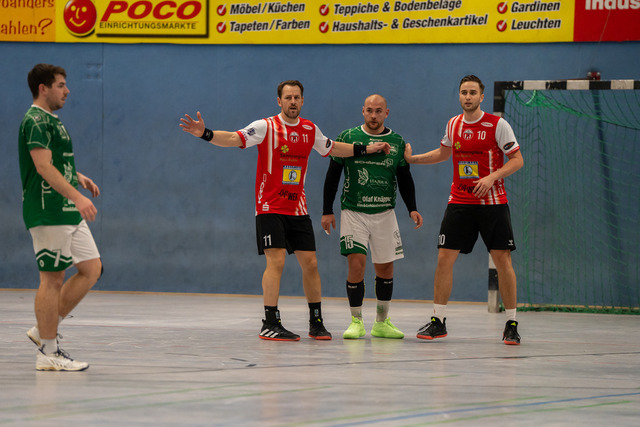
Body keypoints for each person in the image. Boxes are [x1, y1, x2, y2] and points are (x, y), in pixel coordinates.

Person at [180, 80, 390, 342]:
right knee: (276, 260)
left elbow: (333, 147)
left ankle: (316, 322)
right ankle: (270, 322)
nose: (293, 101)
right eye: (288, 97)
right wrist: (205, 133)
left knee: (311, 264)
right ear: (279, 101)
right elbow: (234, 138)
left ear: (302, 101)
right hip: (269, 207)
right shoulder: (265, 126)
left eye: (297, 97)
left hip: (297, 208)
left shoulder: (309, 129)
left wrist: (367, 149)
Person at [404, 75, 524, 345]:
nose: (467, 97)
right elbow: (443, 153)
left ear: (481, 96)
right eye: (463, 92)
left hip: (493, 204)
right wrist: (413, 159)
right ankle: (438, 321)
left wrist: (492, 177)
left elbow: (517, 160)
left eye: (472, 92)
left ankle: (511, 323)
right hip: (459, 202)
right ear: (459, 96)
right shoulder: (453, 124)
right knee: (444, 259)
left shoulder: (498, 125)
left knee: (503, 261)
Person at [19, 64, 103, 371]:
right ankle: (48, 352)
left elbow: (54, 161)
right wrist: (78, 197)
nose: (67, 91)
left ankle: (43, 328)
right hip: (48, 208)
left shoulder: (52, 120)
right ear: (43, 88)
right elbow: (42, 166)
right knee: (53, 279)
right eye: (60, 85)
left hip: (64, 207)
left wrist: (77, 176)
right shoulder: (35, 120)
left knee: (92, 268)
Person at [321, 94, 423, 340]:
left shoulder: (397, 141)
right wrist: (327, 210)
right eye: (369, 110)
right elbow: (333, 175)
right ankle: (356, 321)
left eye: (378, 111)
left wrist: (412, 208)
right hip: (353, 211)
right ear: (363, 111)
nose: (374, 115)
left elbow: (405, 178)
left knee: (385, 267)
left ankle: (381, 322)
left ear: (386, 113)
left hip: (385, 213)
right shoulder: (348, 137)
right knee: (356, 264)